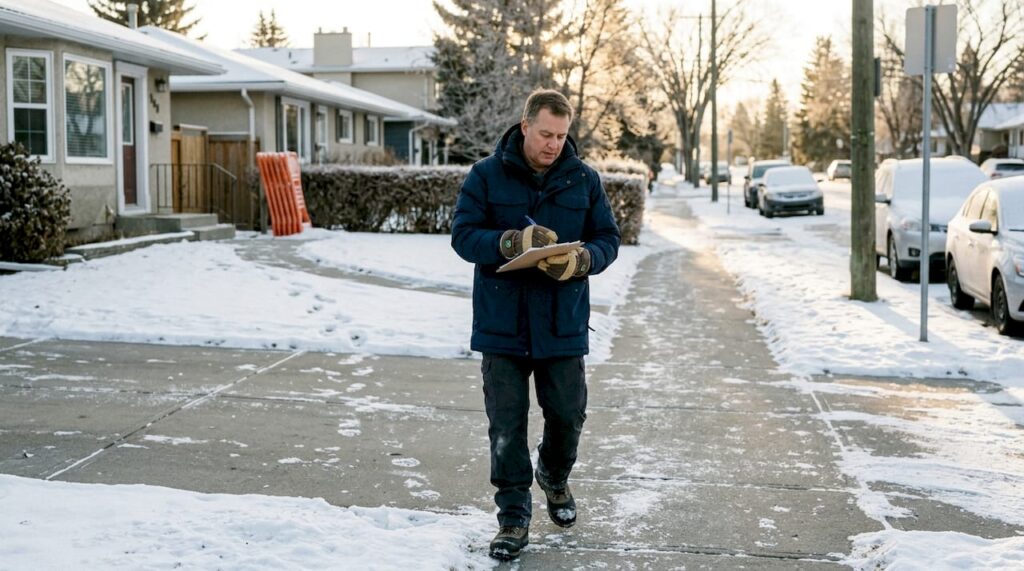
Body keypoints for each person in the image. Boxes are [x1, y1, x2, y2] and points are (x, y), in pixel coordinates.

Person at [451, 89, 621, 560]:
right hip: (501, 322)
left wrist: (585, 259)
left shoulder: (583, 180)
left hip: (561, 323)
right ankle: (513, 519)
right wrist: (509, 242)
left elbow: (608, 237)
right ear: (525, 126)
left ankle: (554, 474)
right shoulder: (485, 176)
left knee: (568, 417)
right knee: (506, 427)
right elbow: (463, 235)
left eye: (561, 135)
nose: (553, 144)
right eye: (545, 133)